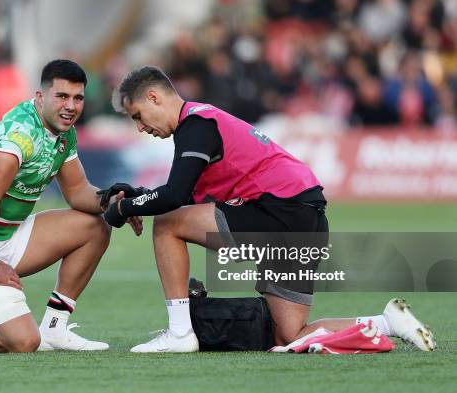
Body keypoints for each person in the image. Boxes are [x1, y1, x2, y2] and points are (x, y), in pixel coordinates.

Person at [103, 65, 436, 353]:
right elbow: (185, 195)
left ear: (154, 98)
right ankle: (387, 322)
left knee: (167, 225)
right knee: (289, 335)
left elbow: (174, 198)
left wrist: (121, 210)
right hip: (306, 218)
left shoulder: (196, 125)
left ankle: (179, 333)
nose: (140, 127)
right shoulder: (204, 122)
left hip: (280, 212)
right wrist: (138, 195)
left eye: (138, 117)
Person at [0, 59, 144, 353]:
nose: (71, 106)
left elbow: (79, 191)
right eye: (62, 96)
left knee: (96, 225)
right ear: (40, 97)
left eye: (78, 98)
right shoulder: (18, 135)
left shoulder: (64, 131)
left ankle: (55, 328)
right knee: (23, 343)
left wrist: (115, 201)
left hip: (8, 237)